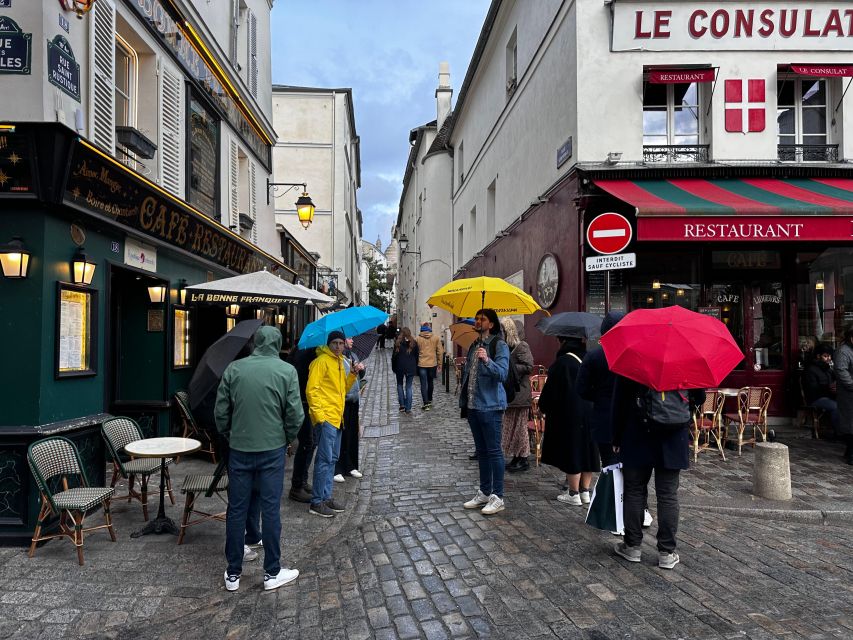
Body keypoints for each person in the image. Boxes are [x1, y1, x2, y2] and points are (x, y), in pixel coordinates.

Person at [214, 326, 304, 592]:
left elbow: (220, 412)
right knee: (270, 509)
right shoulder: (286, 371)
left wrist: (230, 434)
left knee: (236, 509)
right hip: (272, 448)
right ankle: (272, 572)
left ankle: (233, 573)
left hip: (240, 448)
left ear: (255, 344)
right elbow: (295, 415)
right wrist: (286, 437)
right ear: (276, 345)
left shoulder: (234, 369)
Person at [611, 377, 704, 569]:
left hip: (637, 433)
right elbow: (700, 397)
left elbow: (619, 401)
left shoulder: (634, 361)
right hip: (673, 436)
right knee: (668, 495)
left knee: (634, 490)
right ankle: (667, 553)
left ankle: (633, 546)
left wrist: (616, 437)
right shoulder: (685, 362)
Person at [575, 313, 654, 529]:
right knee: (635, 468)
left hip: (603, 419)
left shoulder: (594, 357)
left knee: (610, 467)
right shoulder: (637, 354)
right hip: (632, 421)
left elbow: (581, 389)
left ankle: (617, 514)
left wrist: (599, 397)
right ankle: (643, 510)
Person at [306, 331, 363, 517]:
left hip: (338, 418)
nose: (339, 346)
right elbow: (312, 391)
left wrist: (353, 375)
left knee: (332, 459)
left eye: (341, 343)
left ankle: (326, 496)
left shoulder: (339, 362)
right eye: (335, 343)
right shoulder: (321, 362)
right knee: (323, 460)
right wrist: (320, 417)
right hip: (327, 419)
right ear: (329, 344)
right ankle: (316, 502)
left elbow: (342, 390)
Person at [459, 308, 510, 516]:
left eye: (483, 319)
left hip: (490, 406)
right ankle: (484, 491)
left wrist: (487, 361)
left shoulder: (499, 345)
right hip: (473, 406)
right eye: (477, 318)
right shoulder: (474, 345)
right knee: (481, 452)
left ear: (491, 324)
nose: (478, 322)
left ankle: (498, 496)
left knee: (494, 451)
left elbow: (503, 374)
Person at [539, 335, 599, 505]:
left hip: (570, 413)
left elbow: (551, 392)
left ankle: (573, 493)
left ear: (563, 342)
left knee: (573, 450)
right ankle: (585, 491)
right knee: (588, 450)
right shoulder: (590, 358)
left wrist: (544, 407)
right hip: (591, 410)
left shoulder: (562, 363)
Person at [499, 318, 534, 473]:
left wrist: (511, 368)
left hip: (521, 393)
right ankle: (516, 456)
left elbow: (529, 366)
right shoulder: (506, 346)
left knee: (520, 427)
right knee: (511, 427)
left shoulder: (522, 346)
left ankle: (524, 459)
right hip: (510, 393)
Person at [286, 346, 319, 503]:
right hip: (302, 402)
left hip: (302, 401)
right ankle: (296, 487)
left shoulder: (301, 349)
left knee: (310, 443)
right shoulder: (308, 352)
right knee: (307, 442)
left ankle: (302, 481)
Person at [334, 337, 366, 482]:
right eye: (348, 339)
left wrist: (359, 370)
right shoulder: (337, 359)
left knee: (353, 434)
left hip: (354, 399)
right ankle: (338, 468)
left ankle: (351, 465)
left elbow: (358, 377)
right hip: (343, 401)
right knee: (342, 435)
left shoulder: (352, 355)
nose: (352, 341)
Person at [803, 343, 839, 433]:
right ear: (818, 356)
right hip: (816, 398)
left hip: (830, 396)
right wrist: (829, 388)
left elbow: (836, 380)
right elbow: (812, 389)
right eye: (825, 356)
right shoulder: (810, 369)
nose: (829, 358)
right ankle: (839, 433)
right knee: (837, 407)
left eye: (830, 356)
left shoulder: (828, 369)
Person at [833, 326, 853, 464]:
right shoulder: (843, 351)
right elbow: (841, 371)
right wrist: (852, 385)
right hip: (848, 393)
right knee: (850, 424)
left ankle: (849, 452)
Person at [416, 323, 445, 411]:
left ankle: (426, 403)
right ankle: (430, 399)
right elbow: (440, 352)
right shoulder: (436, 338)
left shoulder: (417, 339)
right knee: (430, 382)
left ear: (421, 329)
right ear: (429, 328)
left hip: (421, 364)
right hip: (432, 363)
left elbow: (414, 352)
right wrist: (440, 364)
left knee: (423, 384)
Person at [392, 327, 419, 415]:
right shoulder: (414, 343)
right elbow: (417, 356)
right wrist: (415, 366)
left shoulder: (398, 342)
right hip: (410, 367)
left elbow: (394, 357)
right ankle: (408, 407)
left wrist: (394, 367)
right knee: (409, 387)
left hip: (399, 366)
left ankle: (402, 404)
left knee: (399, 385)